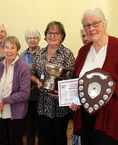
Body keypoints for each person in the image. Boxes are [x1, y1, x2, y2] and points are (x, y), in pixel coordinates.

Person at [70, 7, 118, 145]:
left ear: (104, 24)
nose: (91, 29)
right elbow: (76, 79)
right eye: (87, 26)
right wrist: (74, 98)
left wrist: (108, 89)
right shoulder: (84, 51)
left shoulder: (116, 46)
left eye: (95, 24)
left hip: (109, 116)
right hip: (85, 115)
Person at [31, 21, 75, 145]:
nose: (52, 36)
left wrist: (60, 92)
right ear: (46, 35)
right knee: (44, 137)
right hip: (42, 104)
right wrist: (38, 81)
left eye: (56, 33)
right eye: (50, 33)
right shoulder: (40, 53)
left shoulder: (67, 54)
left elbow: (72, 77)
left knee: (59, 137)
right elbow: (32, 73)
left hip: (59, 104)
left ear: (62, 36)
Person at [0, 36, 30, 145]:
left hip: (15, 112)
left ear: (17, 50)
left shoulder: (23, 67)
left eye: (12, 48)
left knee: (15, 141)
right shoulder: (1, 65)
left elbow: (25, 94)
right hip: (0, 111)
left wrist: (4, 101)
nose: (9, 51)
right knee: (3, 140)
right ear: (3, 49)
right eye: (6, 47)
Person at [19, 28, 41, 145]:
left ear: (38, 39)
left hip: (41, 95)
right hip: (26, 96)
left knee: (41, 126)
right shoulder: (21, 55)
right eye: (29, 38)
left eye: (34, 38)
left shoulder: (44, 53)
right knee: (29, 125)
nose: (32, 40)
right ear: (26, 40)